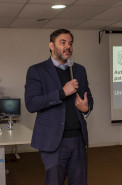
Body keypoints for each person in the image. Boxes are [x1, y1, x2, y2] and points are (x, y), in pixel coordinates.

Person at [25, 29, 93, 185]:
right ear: (51, 45)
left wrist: (86, 108)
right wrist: (61, 93)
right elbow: (31, 103)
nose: (67, 47)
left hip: (78, 140)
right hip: (53, 142)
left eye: (70, 43)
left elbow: (88, 98)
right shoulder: (37, 71)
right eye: (62, 42)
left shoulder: (79, 70)